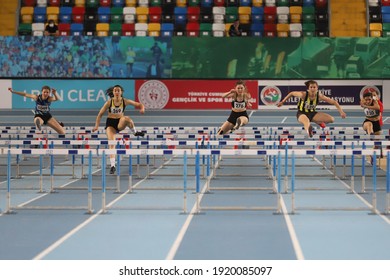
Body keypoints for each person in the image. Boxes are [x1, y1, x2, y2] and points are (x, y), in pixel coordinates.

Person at [93, 85, 145, 174]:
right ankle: (113, 165)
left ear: (121, 92)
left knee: (127, 119)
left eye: (118, 90)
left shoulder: (125, 101)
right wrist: (96, 126)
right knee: (112, 142)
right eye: (115, 90)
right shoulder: (109, 103)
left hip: (120, 122)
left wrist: (142, 108)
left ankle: (135, 132)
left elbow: (139, 104)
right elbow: (100, 115)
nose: (117, 92)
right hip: (110, 124)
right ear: (113, 93)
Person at [276, 80, 347, 138]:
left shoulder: (319, 96)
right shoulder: (303, 94)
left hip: (313, 114)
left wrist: (341, 112)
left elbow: (334, 102)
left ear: (317, 88)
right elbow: (291, 93)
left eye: (314, 87)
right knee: (306, 122)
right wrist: (282, 102)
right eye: (311, 87)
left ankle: (317, 121)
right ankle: (309, 131)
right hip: (302, 113)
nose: (313, 89)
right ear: (308, 88)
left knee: (331, 119)